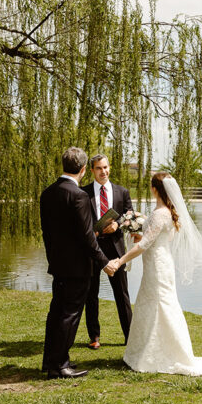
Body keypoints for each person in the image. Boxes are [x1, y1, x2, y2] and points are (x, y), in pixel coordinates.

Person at [115, 172, 202, 376]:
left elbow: (145, 245)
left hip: (157, 265)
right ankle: (150, 350)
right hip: (161, 262)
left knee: (159, 305)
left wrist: (121, 260)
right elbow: (162, 238)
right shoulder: (168, 211)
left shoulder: (159, 214)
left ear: (154, 189)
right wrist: (140, 234)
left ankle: (161, 354)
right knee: (157, 304)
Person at [39, 147, 119, 379]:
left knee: (56, 312)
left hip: (58, 263)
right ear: (84, 169)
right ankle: (59, 365)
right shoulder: (79, 196)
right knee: (69, 315)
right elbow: (87, 238)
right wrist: (105, 263)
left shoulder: (48, 193)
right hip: (77, 267)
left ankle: (50, 360)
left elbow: (49, 232)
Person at [83, 154, 134, 349]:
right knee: (91, 293)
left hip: (116, 250)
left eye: (105, 167)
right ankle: (94, 337)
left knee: (122, 293)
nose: (103, 171)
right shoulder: (83, 193)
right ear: (92, 170)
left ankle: (130, 336)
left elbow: (128, 215)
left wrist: (118, 225)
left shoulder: (122, 192)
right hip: (92, 249)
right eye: (98, 168)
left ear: (109, 167)